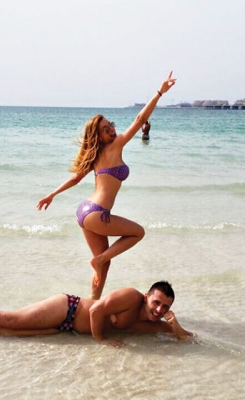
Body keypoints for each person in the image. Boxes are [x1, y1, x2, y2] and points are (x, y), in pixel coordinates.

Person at [37, 72, 177, 299]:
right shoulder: (116, 145)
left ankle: (92, 306)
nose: (112, 130)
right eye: (105, 129)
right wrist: (160, 92)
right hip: (97, 213)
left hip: (84, 211)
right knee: (137, 233)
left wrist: (51, 195)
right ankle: (99, 260)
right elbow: (140, 119)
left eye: (110, 125)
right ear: (99, 137)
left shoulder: (95, 155)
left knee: (103, 267)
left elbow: (75, 179)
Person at [0, 281, 192, 347]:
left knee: (8, 333)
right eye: (156, 302)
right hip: (67, 308)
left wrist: (176, 325)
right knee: (10, 320)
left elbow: (186, 338)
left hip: (67, 328)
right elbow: (96, 309)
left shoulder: (151, 322)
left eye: (165, 307)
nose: (159, 310)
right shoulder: (131, 297)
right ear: (147, 297)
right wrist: (101, 339)